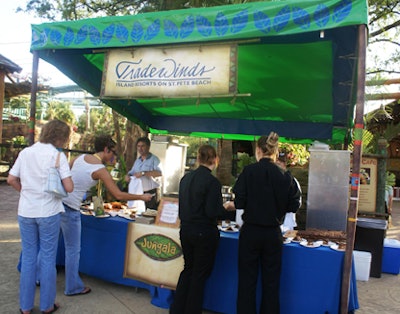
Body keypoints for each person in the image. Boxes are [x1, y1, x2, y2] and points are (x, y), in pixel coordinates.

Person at [60, 135, 152, 296]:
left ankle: (39, 278)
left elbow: (63, 176)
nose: (113, 157)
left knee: (49, 246)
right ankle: (72, 286)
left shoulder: (78, 158)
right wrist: (142, 197)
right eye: (113, 153)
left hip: (58, 204)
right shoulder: (99, 170)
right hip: (71, 210)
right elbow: (118, 194)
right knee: (73, 249)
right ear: (105, 149)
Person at [224, 132, 302, 314]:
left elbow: (240, 202)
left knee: (246, 282)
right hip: (273, 233)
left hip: (250, 232)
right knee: (271, 283)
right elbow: (294, 205)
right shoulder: (285, 175)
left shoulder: (248, 172)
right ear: (275, 151)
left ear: (258, 150)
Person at [7, 119, 73, 314]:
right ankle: (47, 305)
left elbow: (11, 179)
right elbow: (68, 187)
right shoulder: (57, 156)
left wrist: (26, 192)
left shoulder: (26, 152)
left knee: (28, 258)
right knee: (47, 258)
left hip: (25, 211)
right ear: (61, 137)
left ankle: (25, 307)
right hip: (48, 212)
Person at [170, 145, 227, 314]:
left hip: (185, 229)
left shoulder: (185, 179)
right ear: (215, 160)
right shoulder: (212, 182)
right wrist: (226, 208)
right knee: (199, 275)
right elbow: (212, 211)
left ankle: (177, 309)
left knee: (188, 269)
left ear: (198, 158)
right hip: (204, 231)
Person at [124, 137, 162, 209]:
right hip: (139, 193)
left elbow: (159, 173)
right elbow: (132, 172)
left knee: (149, 216)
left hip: (151, 193)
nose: (140, 148)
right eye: (138, 146)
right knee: (137, 214)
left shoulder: (154, 159)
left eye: (142, 146)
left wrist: (143, 173)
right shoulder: (138, 161)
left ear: (148, 147)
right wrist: (127, 176)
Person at [276, 151, 302, 233]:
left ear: (285, 164)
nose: (278, 165)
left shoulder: (293, 181)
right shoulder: (270, 179)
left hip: (287, 224)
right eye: (277, 162)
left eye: (280, 163)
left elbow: (297, 204)